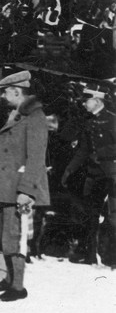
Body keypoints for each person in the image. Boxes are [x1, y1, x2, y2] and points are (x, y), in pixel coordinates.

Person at [0, 70, 49, 301]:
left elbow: (36, 158)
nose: (2, 97)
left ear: (16, 91)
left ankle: (18, 287)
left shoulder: (35, 117)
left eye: (5, 93)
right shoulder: (17, 115)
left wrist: (26, 191)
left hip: (19, 189)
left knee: (15, 238)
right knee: (2, 236)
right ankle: (10, 279)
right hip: (5, 188)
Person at [62, 87, 116, 267]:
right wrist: (69, 169)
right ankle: (91, 255)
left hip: (112, 175)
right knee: (91, 215)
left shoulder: (112, 120)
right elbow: (84, 149)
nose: (84, 104)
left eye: (87, 100)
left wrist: (101, 153)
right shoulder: (89, 122)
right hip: (94, 175)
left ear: (98, 101)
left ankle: (112, 258)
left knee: (113, 216)